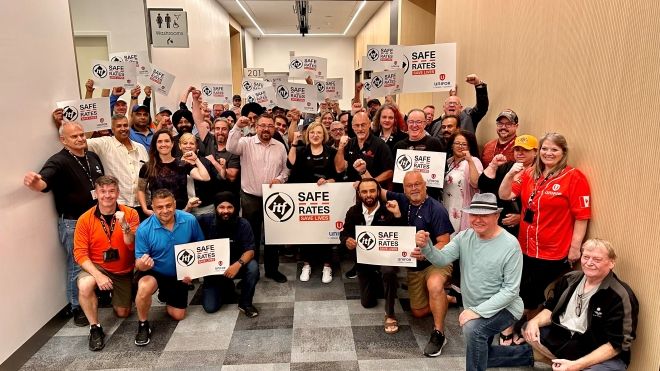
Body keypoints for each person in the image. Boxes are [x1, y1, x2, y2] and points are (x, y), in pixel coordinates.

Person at [413, 193, 524, 371]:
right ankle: (525, 355)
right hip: (474, 305)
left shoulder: (511, 245)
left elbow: (510, 291)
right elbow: (441, 259)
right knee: (480, 349)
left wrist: (476, 312)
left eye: (484, 215)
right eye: (474, 214)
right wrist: (427, 246)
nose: (478, 220)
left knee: (474, 330)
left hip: (506, 308)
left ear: (496, 215)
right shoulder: (464, 237)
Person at [493, 239, 639, 371]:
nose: (589, 263)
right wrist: (534, 321)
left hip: (597, 350)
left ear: (612, 262)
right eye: (586, 257)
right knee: (527, 329)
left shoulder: (620, 296)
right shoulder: (570, 279)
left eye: (597, 259)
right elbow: (551, 308)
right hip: (565, 339)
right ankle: (557, 361)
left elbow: (617, 345)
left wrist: (577, 365)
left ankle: (565, 363)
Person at [499, 133, 592, 338]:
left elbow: (582, 216)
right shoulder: (530, 173)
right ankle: (523, 328)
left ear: (563, 153)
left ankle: (518, 329)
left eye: (554, 150)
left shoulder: (573, 177)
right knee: (523, 288)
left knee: (532, 292)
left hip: (554, 250)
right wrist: (509, 175)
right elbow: (505, 195)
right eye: (545, 149)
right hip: (525, 246)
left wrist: (575, 248)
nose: (548, 153)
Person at [23, 121, 104, 326]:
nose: (80, 138)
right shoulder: (58, 161)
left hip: (96, 218)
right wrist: (35, 183)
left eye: (81, 134)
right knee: (77, 264)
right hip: (73, 222)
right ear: (63, 140)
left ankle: (91, 295)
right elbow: (44, 182)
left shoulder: (92, 156)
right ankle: (77, 306)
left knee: (95, 259)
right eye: (74, 136)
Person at [385, 171, 454, 357]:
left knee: (434, 286)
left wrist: (427, 254)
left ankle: (439, 333)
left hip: (436, 260)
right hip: (414, 265)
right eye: (410, 185)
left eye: (418, 184)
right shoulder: (403, 201)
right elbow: (379, 191)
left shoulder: (436, 209)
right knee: (417, 312)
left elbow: (445, 242)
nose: (414, 188)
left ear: (425, 185)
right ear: (404, 189)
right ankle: (446, 299)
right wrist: (361, 176)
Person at [73, 176, 139, 351]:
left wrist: (124, 224)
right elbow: (80, 254)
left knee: (123, 313)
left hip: (122, 269)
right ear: (96, 194)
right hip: (97, 266)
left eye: (111, 191)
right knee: (86, 285)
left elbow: (131, 245)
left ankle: (111, 295)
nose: (107, 195)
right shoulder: (84, 219)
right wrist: (98, 275)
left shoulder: (130, 213)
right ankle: (95, 328)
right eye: (103, 191)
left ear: (117, 193)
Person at [134, 189, 204, 346]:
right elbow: (138, 263)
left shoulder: (190, 220)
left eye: (168, 206)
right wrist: (143, 264)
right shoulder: (144, 229)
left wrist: (192, 273)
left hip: (180, 272)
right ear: (152, 207)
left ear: (175, 204)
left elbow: (200, 247)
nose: (165, 210)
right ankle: (143, 324)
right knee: (144, 287)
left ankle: (165, 294)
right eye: (159, 207)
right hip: (155, 271)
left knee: (178, 315)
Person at [226, 111, 289, 283]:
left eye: (270, 126)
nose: (266, 129)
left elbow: (286, 169)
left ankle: (272, 270)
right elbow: (230, 147)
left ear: (274, 128)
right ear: (255, 126)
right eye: (262, 125)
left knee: (272, 236)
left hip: (273, 199)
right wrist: (237, 126)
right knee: (250, 236)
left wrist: (280, 179)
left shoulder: (280, 146)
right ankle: (250, 270)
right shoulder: (245, 143)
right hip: (250, 197)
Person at [341, 178, 405, 334]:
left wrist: (397, 216)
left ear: (378, 192)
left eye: (372, 191)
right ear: (359, 193)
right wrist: (346, 241)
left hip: (386, 258)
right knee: (368, 303)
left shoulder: (389, 210)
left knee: (389, 272)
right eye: (364, 191)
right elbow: (344, 233)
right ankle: (378, 281)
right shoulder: (353, 211)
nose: (368, 195)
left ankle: (390, 314)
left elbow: (402, 237)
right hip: (364, 261)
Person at [287, 122, 340, 283]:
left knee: (326, 232)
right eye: (312, 133)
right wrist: (294, 143)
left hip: (327, 200)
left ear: (324, 135)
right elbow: (290, 164)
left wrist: (329, 181)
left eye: (319, 133)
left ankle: (327, 265)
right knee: (307, 232)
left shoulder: (331, 152)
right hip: (306, 201)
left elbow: (337, 174)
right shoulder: (301, 151)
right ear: (307, 135)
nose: (315, 135)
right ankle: (307, 264)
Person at [202, 192, 260, 317]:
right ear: (216, 208)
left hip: (235, 265)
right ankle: (226, 286)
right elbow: (185, 221)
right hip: (213, 271)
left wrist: (238, 264)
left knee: (253, 267)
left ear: (235, 209)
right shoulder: (204, 221)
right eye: (221, 207)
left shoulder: (243, 224)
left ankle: (245, 303)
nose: (225, 211)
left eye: (230, 207)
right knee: (210, 308)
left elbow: (250, 251)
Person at [85, 114, 149, 217]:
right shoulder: (104, 144)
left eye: (125, 125)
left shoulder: (140, 147)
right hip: (118, 206)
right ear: (112, 129)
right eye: (119, 126)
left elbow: (148, 175)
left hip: (142, 205)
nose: (123, 129)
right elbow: (80, 142)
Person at [137, 129, 210, 216]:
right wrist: (145, 209)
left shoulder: (182, 164)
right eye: (160, 141)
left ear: (172, 144)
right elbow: (140, 189)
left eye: (167, 141)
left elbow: (205, 177)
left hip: (182, 213)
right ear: (155, 145)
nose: (163, 144)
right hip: (159, 214)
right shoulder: (147, 166)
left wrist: (196, 159)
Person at [478, 135, 538, 239]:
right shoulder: (507, 166)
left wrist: (521, 217)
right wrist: (493, 165)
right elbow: (484, 186)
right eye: (517, 149)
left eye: (526, 150)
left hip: (523, 228)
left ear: (535, 152)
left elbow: (539, 204)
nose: (520, 153)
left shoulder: (539, 173)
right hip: (498, 224)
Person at [334, 112, 394, 186]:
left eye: (363, 125)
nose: (360, 129)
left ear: (369, 124)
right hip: (352, 190)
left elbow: (389, 172)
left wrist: (371, 182)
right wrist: (340, 147)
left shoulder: (380, 144)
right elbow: (339, 169)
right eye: (357, 125)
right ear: (352, 126)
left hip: (373, 192)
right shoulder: (349, 144)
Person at [178, 132, 219, 237]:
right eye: (185, 143)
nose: (188, 146)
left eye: (191, 143)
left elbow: (211, 180)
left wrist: (196, 160)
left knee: (208, 239)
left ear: (196, 146)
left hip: (206, 208)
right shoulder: (176, 163)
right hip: (184, 209)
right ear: (179, 146)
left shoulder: (205, 162)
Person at [443, 130, 483, 235]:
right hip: (446, 206)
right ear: (451, 145)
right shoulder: (448, 162)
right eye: (457, 143)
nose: (460, 146)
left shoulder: (474, 161)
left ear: (470, 147)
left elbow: (476, 183)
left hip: (462, 209)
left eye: (464, 144)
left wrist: (469, 160)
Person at [205, 117, 241, 197]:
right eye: (217, 129)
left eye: (224, 129)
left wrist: (214, 162)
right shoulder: (209, 142)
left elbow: (232, 176)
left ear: (229, 131)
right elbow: (198, 121)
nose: (220, 132)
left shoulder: (234, 149)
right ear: (213, 130)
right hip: (210, 195)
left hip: (229, 195)